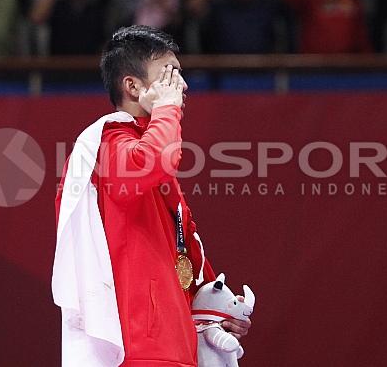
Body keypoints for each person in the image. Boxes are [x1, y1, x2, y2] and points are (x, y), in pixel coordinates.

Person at [53, 25, 251, 367]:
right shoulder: (106, 146)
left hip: (176, 347)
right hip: (139, 350)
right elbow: (152, 162)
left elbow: (185, 252)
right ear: (133, 86)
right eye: (170, 75)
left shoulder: (152, 155)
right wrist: (167, 109)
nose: (184, 86)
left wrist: (215, 310)